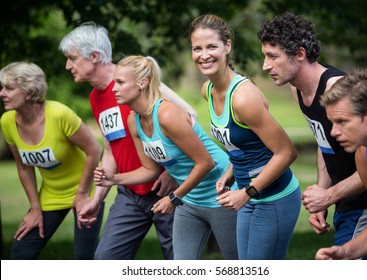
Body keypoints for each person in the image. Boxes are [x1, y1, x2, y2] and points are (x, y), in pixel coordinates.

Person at [59, 22, 198, 259]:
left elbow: (190, 117)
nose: (67, 65)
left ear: (93, 56)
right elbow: (110, 151)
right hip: (130, 195)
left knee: (181, 264)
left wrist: (171, 173)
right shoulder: (95, 97)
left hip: (166, 192)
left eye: (72, 58)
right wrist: (96, 199)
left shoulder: (135, 80)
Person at [258, 12, 367, 259]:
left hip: (365, 204)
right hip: (354, 206)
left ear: (299, 54)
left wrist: (329, 195)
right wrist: (322, 191)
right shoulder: (297, 89)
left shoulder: (338, 90)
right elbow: (324, 142)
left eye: (273, 57)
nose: (265, 66)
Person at [94, 55, 238, 259]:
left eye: (120, 82)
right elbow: (150, 169)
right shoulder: (133, 120)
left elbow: (206, 163)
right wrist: (115, 178)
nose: (114, 88)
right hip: (190, 200)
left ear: (142, 84)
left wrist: (174, 197)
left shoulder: (167, 114)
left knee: (239, 263)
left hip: (222, 193)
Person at [189, 14, 301, 260]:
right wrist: (230, 174)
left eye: (211, 47)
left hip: (274, 198)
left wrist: (247, 192)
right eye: (197, 48)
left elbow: (286, 152)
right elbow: (243, 145)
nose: (204, 55)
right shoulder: (208, 90)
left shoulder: (242, 97)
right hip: (248, 196)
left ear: (227, 46)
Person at [0, 61, 103, 259]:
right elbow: (23, 167)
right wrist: (35, 208)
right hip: (51, 194)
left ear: (29, 92)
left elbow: (94, 151)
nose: (2, 93)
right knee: (21, 253)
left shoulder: (59, 114)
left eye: (9, 88)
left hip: (85, 190)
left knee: (84, 259)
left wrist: (82, 193)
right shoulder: (7, 122)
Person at [315, 69, 367, 259]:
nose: (333, 132)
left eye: (342, 122)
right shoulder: (365, 156)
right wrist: (345, 252)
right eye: (332, 123)